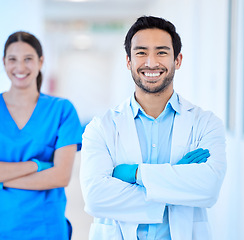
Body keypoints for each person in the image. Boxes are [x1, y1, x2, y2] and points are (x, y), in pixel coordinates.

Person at [80, 16, 226, 240]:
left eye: (161, 52)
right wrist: (177, 180)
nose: (151, 62)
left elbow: (208, 189)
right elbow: (95, 198)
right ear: (128, 61)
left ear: (177, 60)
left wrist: (135, 173)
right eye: (141, 52)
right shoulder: (101, 127)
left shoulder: (205, 123)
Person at [0, 31, 82, 240]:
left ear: (41, 62)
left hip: (44, 227)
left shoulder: (62, 110)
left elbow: (60, 176)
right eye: (13, 59)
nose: (20, 67)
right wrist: (37, 166)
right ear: (4, 62)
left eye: (28, 59)